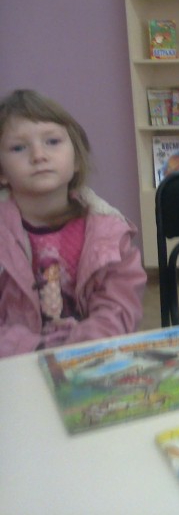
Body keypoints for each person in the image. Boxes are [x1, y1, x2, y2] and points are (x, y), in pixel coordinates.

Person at [0, 89, 146, 357]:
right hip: (15, 365)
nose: (38, 155)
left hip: (91, 359)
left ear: (77, 159)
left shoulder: (108, 232)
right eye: (19, 147)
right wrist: (35, 349)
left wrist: (80, 347)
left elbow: (119, 307)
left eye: (52, 141)